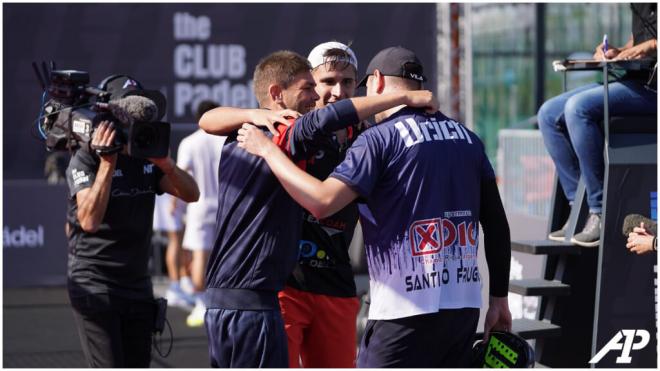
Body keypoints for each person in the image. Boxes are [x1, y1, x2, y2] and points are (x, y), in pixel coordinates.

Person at [235, 46, 512, 368]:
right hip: (463, 309)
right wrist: (500, 298)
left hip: (401, 309)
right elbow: (496, 223)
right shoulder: (468, 138)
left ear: (376, 81)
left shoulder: (377, 138)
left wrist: (269, 152)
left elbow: (323, 203)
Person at [198, 50, 438, 368]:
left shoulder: (247, 132)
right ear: (276, 95)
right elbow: (330, 119)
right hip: (269, 293)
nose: (328, 93)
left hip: (288, 289)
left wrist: (253, 115)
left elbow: (209, 120)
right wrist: (409, 98)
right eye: (313, 85)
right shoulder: (283, 133)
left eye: (348, 81)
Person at [65, 75, 200, 367]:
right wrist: (107, 163)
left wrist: (166, 164)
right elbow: (88, 221)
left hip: (137, 283)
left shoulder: (146, 156)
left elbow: (192, 194)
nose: (134, 126)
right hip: (95, 281)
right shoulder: (86, 159)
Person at [539, 3, 657, 247]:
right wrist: (619, 51)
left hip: (652, 91)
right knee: (548, 113)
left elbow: (650, 42)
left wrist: (651, 46)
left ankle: (600, 210)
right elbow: (639, 38)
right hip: (634, 82)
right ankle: (578, 208)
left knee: (577, 108)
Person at [277, 41, 362, 368]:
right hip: (285, 285)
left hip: (337, 286)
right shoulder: (288, 128)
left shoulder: (367, 136)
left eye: (348, 81)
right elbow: (212, 120)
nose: (338, 91)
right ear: (310, 84)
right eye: (328, 81)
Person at [177, 100, 227, 327]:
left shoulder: (189, 143)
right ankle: (216, 303)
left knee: (199, 256)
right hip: (226, 206)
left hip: (198, 207)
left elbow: (180, 174)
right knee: (225, 256)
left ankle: (201, 303)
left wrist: (174, 204)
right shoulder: (227, 139)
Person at [153, 192, 194, 309]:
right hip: (171, 199)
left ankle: (182, 282)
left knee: (179, 241)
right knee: (175, 240)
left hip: (173, 199)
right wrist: (173, 201)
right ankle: (175, 287)